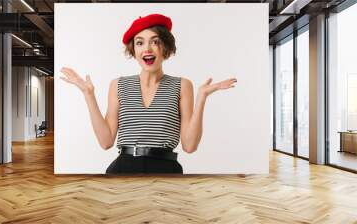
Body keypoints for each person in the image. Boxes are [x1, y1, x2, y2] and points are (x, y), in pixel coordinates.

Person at [60, 14, 237, 174]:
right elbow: (106, 142)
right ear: (133, 51)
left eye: (155, 41)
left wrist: (202, 98)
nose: (147, 49)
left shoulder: (182, 85)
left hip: (166, 169)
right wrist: (88, 94)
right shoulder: (118, 85)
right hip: (124, 168)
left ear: (166, 48)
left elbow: (190, 146)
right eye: (139, 42)